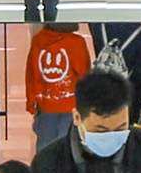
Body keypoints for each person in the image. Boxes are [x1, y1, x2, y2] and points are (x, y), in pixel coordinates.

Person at [23, 17, 91, 150]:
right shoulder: (76, 42)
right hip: (71, 105)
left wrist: (31, 102)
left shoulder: (38, 41)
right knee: (68, 149)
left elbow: (31, 74)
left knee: (46, 149)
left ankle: (44, 170)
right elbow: (84, 74)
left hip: (45, 106)